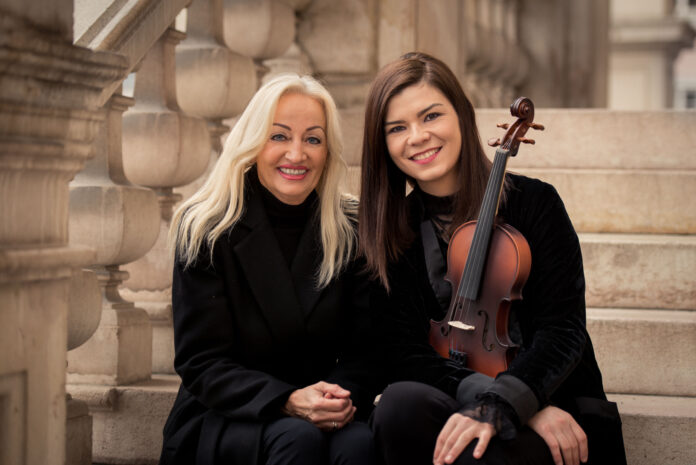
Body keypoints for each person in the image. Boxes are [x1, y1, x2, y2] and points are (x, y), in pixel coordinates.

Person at [358, 52, 626, 465]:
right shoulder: (391, 233)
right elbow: (404, 353)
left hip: (550, 403)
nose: (417, 136)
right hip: (456, 403)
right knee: (397, 405)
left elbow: (563, 330)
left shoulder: (535, 204)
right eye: (397, 127)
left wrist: (516, 400)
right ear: (384, 144)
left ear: (462, 115)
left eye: (431, 116)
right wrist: (486, 400)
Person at [159, 74, 380, 465]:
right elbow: (201, 361)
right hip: (227, 412)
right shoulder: (207, 228)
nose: (297, 154)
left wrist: (339, 398)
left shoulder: (352, 227)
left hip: (328, 407)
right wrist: (288, 400)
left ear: (328, 151)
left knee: (358, 444)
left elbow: (367, 348)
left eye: (313, 139)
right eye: (279, 136)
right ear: (253, 143)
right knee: (296, 439)